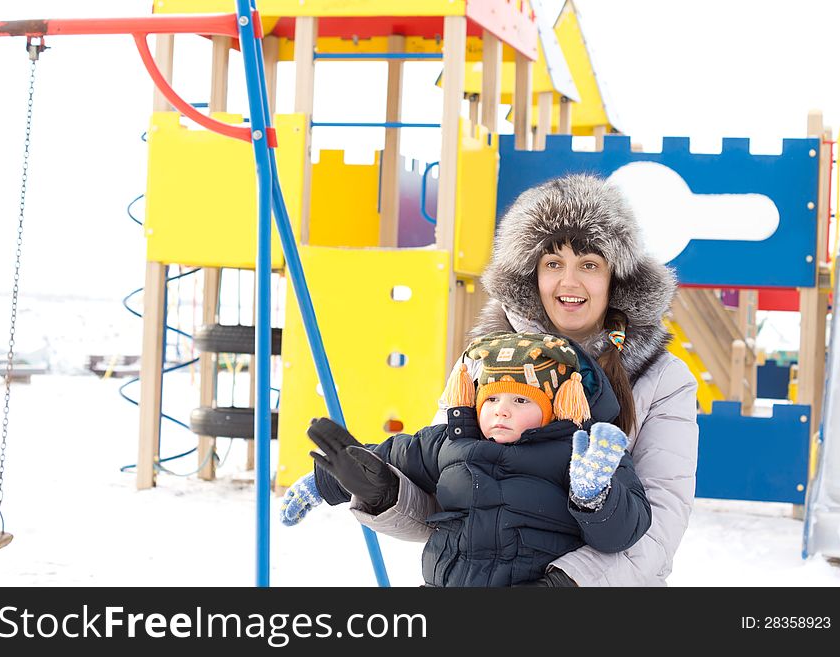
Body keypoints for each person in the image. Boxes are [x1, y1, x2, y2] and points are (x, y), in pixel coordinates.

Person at [287, 173, 699, 586]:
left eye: (589, 265)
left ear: (616, 278)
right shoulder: (484, 364)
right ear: (530, 276)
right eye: (553, 264)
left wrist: (562, 586)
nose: (569, 282)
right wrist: (381, 490)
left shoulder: (662, 380)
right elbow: (442, 493)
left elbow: (657, 527)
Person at [283, 331, 651, 587]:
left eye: (521, 401)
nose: (501, 412)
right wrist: (324, 482)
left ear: (555, 407)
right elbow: (387, 456)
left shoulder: (579, 455)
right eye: (491, 400)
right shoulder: (450, 442)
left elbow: (623, 534)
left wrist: (593, 496)